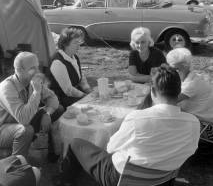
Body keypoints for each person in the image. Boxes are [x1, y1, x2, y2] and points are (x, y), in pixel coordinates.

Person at [53, 64, 200, 186]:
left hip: (122, 179)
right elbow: (190, 151)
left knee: (76, 143)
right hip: (164, 179)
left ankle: (64, 180)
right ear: (179, 91)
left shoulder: (137, 118)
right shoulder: (193, 123)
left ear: (153, 92)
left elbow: (111, 148)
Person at [0, 51, 63, 160]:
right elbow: (23, 119)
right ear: (19, 70)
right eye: (33, 68)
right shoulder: (6, 88)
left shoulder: (31, 80)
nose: (38, 71)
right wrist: (36, 92)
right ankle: (17, 167)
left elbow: (53, 98)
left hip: (21, 121)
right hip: (4, 128)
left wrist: (47, 113)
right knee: (25, 130)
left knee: (58, 109)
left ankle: (53, 156)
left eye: (37, 66)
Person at [166, 47, 213, 122]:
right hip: (194, 114)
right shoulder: (188, 76)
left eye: (176, 69)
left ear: (186, 66)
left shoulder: (192, 84)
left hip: (203, 121)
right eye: (170, 69)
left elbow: (168, 102)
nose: (172, 73)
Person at [49, 27, 91, 108]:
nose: (79, 45)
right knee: (91, 106)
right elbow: (68, 90)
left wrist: (87, 90)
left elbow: (81, 77)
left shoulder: (74, 56)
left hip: (75, 94)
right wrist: (85, 96)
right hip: (61, 99)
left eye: (79, 42)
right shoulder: (58, 62)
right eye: (75, 42)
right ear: (65, 43)